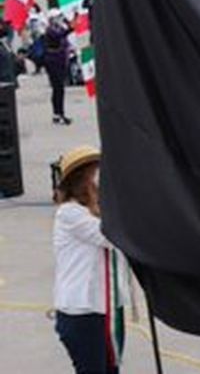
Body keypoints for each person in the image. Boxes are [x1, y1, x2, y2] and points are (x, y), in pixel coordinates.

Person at [52, 145, 127, 373]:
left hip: (104, 309)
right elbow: (112, 236)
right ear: (80, 181)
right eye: (94, 174)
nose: (98, 181)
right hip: (82, 312)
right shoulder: (70, 214)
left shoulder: (94, 212)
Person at [43, 11, 74, 125]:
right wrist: (70, 26)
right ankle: (59, 114)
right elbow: (61, 35)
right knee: (58, 88)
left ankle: (57, 114)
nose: (60, 19)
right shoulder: (50, 30)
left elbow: (65, 38)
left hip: (60, 61)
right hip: (53, 62)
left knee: (58, 89)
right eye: (58, 17)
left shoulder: (58, 28)